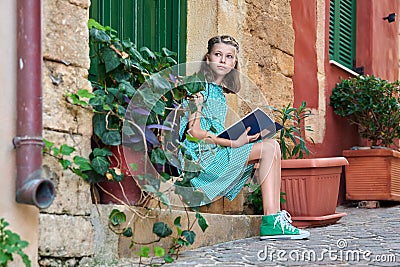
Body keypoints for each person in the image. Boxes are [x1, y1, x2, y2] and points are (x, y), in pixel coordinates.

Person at [179, 35, 310, 240]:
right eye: (218, 54)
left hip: (214, 155)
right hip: (199, 162)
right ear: (208, 58)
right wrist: (233, 142)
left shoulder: (219, 93)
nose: (223, 60)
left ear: (234, 63)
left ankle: (274, 218)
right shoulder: (200, 88)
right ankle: (271, 222)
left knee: (272, 146)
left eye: (229, 56)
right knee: (268, 148)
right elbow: (193, 132)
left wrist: (242, 139)